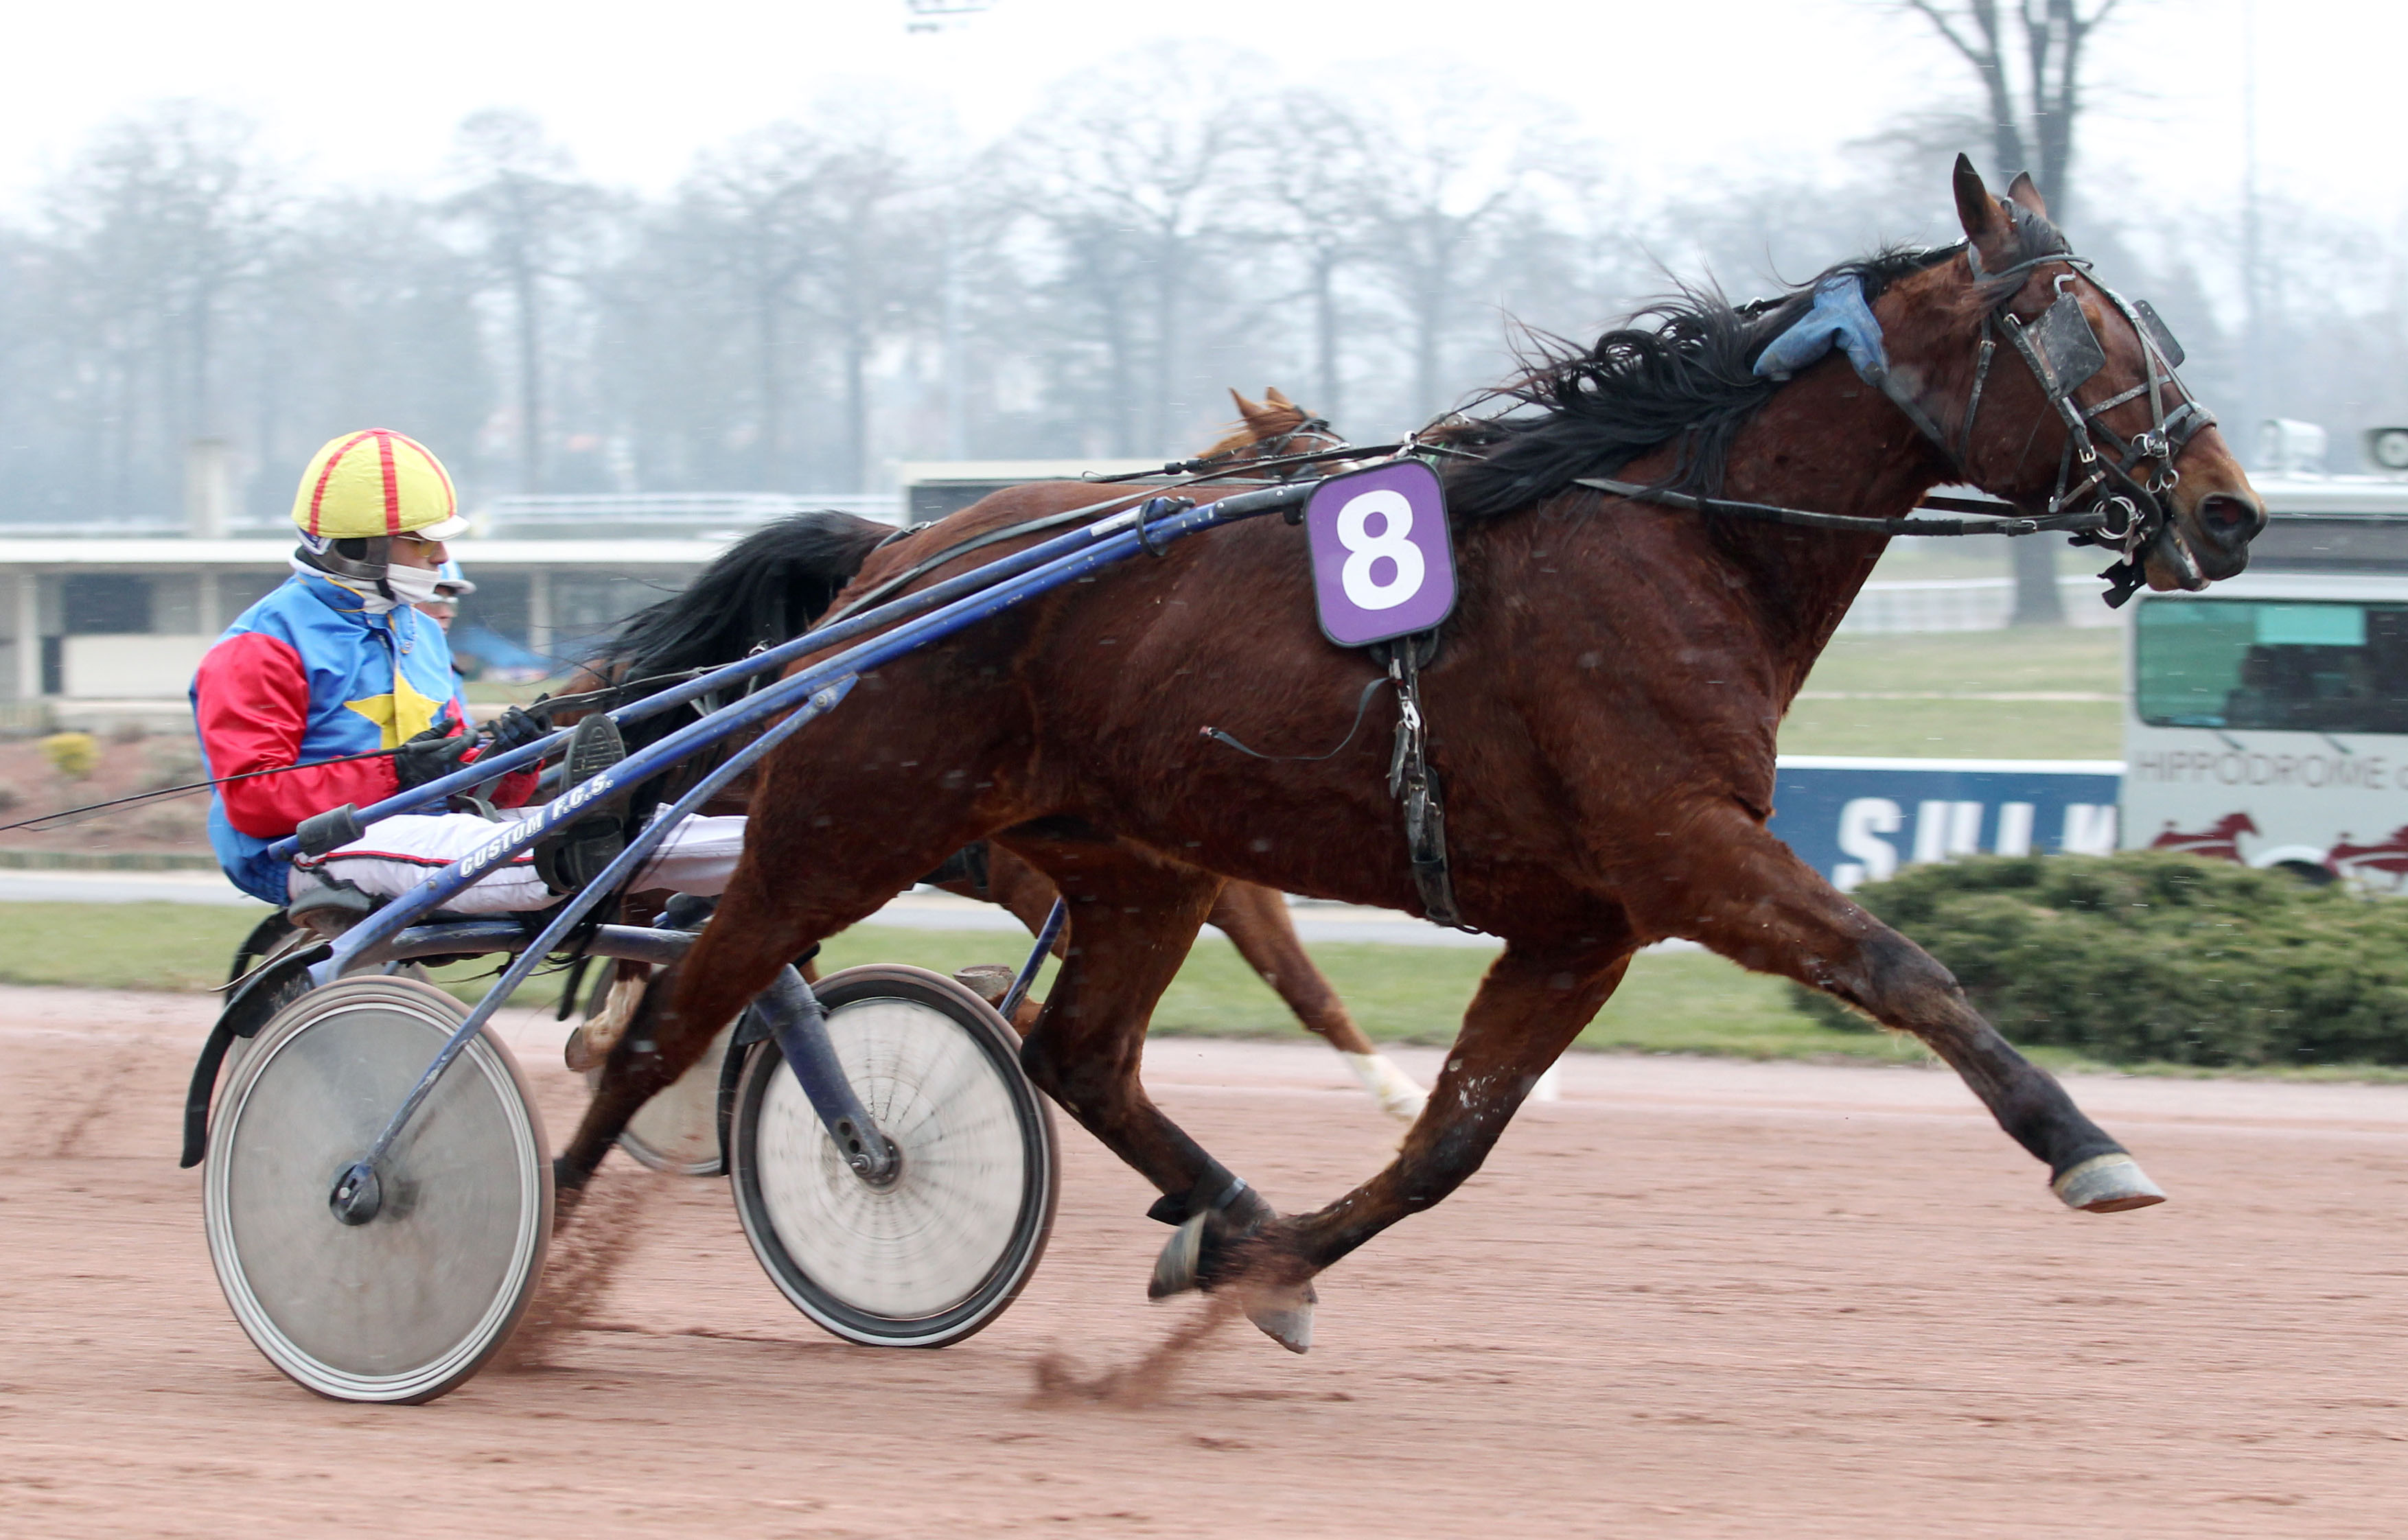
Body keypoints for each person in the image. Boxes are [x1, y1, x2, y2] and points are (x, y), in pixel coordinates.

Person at [191, 429, 743, 922]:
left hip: (421, 828)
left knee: (651, 824)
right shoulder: (258, 649)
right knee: (528, 844)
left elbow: (454, 783)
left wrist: (509, 766)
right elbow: (253, 798)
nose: (442, 556)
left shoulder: (421, 634)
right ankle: (576, 851)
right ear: (360, 546)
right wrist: (398, 778)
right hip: (296, 851)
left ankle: (779, 846)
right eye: (423, 540)